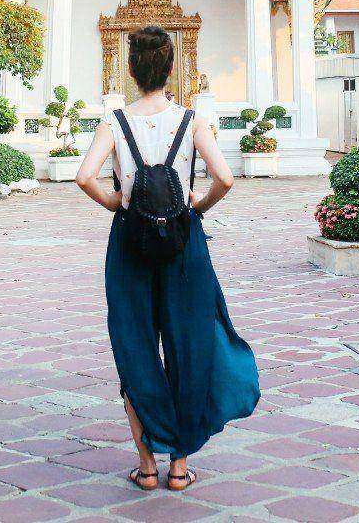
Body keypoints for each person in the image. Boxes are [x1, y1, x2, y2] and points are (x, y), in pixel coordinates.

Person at [76, 26, 260, 492]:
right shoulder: (192, 120)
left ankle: (147, 466)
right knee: (187, 346)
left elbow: (83, 177)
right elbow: (224, 178)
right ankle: (179, 465)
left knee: (135, 348)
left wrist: (117, 200)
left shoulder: (114, 122)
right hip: (183, 244)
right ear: (171, 69)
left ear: (131, 70)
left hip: (130, 243)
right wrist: (196, 204)